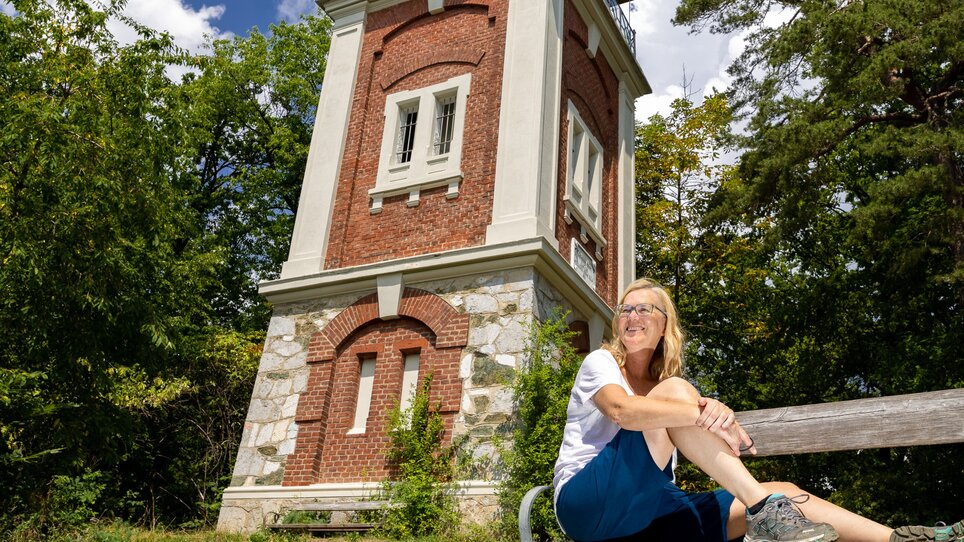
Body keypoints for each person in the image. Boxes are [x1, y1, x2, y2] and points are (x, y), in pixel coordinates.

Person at [552, 278, 963, 542]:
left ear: (664, 327)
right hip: (586, 505)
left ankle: (903, 539)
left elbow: (663, 433)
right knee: (677, 392)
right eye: (625, 309)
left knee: (782, 491)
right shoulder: (601, 364)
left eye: (644, 309)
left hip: (650, 514)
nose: (632, 315)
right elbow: (624, 411)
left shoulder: (668, 389)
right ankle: (762, 511)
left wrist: (700, 409)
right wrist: (701, 411)